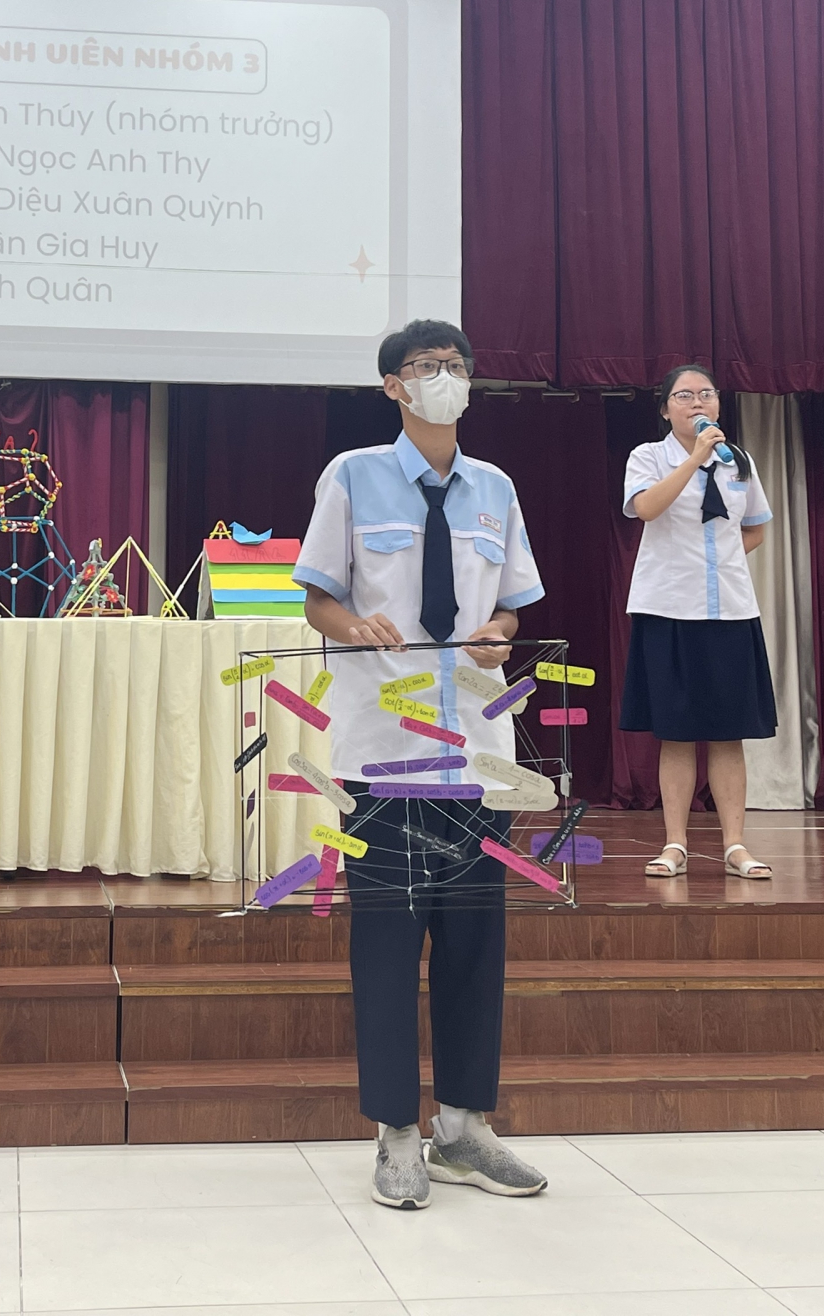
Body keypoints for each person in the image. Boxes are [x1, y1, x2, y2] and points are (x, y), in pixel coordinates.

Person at [293, 318, 548, 1211]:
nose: (445, 377)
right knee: (388, 948)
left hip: (476, 749)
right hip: (384, 752)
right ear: (394, 387)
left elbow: (510, 607)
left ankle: (465, 1130)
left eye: (455, 365)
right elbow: (319, 598)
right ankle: (396, 1133)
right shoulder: (352, 475)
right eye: (425, 366)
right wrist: (353, 624)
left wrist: (500, 635)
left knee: (476, 947)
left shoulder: (496, 488)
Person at [620, 364, 776, 880]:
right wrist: (694, 458)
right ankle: (675, 844)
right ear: (665, 409)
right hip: (669, 609)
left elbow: (754, 528)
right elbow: (646, 508)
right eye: (684, 396)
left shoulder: (739, 462)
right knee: (677, 732)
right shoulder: (648, 456)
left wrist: (718, 561)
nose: (698, 403)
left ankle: (735, 846)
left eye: (706, 394)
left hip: (730, 608)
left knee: (730, 733)